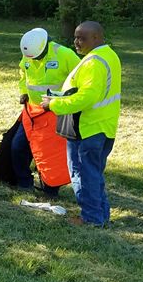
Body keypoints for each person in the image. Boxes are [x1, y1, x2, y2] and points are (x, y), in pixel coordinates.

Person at [42, 21, 122, 226]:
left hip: (88, 129)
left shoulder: (94, 62)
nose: (76, 42)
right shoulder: (109, 56)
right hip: (103, 127)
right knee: (94, 174)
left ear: (96, 38)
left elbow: (87, 98)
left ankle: (91, 218)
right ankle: (101, 216)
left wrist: (54, 104)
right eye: (76, 37)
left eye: (82, 38)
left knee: (83, 174)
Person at [12, 27, 80, 196]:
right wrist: (24, 92)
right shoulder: (29, 54)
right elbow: (23, 73)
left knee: (52, 153)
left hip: (55, 112)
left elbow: (80, 79)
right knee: (17, 147)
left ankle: (51, 188)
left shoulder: (65, 54)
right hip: (32, 112)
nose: (34, 60)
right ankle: (24, 182)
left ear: (46, 46)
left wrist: (66, 100)